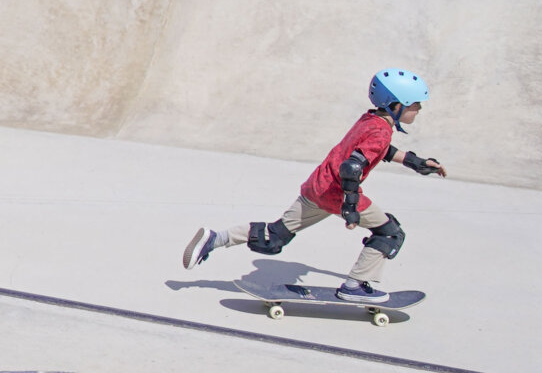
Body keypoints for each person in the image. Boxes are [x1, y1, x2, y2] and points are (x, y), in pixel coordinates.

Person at [181, 69, 447, 305]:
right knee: (390, 233)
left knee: (273, 237)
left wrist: (415, 162)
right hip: (338, 194)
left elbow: (378, 151)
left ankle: (215, 238)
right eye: (415, 105)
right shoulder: (381, 131)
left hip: (317, 187)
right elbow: (352, 169)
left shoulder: (370, 120)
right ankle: (355, 286)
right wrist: (351, 209)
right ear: (396, 105)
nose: (419, 110)